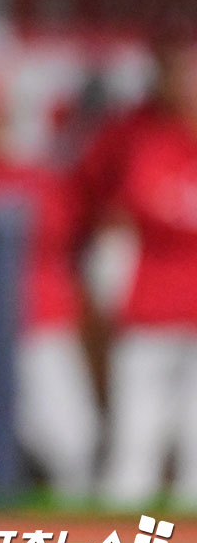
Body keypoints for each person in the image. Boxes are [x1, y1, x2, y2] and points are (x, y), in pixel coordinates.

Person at [0, 97, 99, 500]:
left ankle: (74, 516)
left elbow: (65, 230)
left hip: (43, 323)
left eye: (1, 123)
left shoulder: (42, 178)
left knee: (71, 437)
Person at [77, 40, 197, 509]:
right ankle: (122, 533)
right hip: (150, 305)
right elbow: (128, 209)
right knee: (136, 432)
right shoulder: (143, 139)